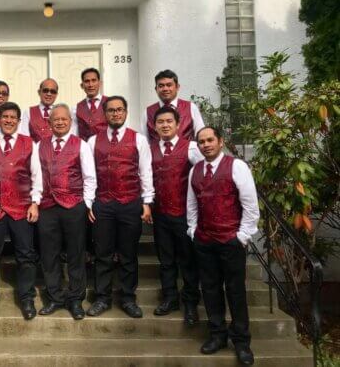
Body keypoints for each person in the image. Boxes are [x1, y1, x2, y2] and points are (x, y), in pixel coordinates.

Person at [187, 126, 259, 366]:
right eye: (201, 141)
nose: (206, 144)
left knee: (236, 291)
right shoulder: (195, 170)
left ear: (220, 141)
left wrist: (242, 236)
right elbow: (192, 205)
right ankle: (217, 335)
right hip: (205, 240)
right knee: (210, 289)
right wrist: (193, 230)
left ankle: (241, 342)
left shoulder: (237, 167)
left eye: (210, 140)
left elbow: (250, 205)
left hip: (230, 240)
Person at [0, 102, 42, 321]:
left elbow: (36, 176)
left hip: (21, 209)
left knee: (25, 256)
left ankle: (27, 299)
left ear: (18, 121)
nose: (9, 121)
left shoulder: (29, 143)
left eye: (13, 117)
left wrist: (35, 202)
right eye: (5, 117)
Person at [87, 96, 155, 318]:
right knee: (103, 253)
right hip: (103, 204)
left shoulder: (139, 140)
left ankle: (128, 298)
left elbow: (145, 172)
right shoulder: (92, 141)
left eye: (119, 110)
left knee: (128, 254)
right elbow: (90, 175)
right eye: (111, 110)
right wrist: (90, 203)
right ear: (104, 114)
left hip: (130, 203)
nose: (115, 114)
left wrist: (146, 203)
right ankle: (102, 298)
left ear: (125, 112)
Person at [37, 104, 96, 320]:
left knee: (76, 254)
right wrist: (36, 201)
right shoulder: (39, 145)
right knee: (49, 254)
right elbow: (36, 176)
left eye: (64, 119)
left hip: (74, 205)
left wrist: (86, 204)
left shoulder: (81, 145)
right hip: (47, 207)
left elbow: (89, 177)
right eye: (55, 119)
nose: (60, 122)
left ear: (70, 122)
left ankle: (75, 299)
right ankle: (54, 297)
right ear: (49, 122)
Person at [150, 107, 203, 326]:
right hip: (160, 214)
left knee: (188, 260)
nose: (164, 125)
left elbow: (203, 176)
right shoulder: (150, 148)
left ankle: (190, 303)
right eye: (160, 122)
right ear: (154, 126)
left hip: (184, 214)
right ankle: (170, 297)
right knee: (166, 260)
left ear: (178, 124)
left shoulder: (191, 148)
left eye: (169, 121)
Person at [140, 69, 205, 143]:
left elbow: (202, 136)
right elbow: (143, 143)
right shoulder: (147, 112)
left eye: (169, 85)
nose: (165, 89)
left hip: (187, 153)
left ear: (177, 87)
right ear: (156, 89)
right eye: (161, 86)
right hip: (157, 154)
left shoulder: (191, 108)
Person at [73, 68, 108, 141]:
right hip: (86, 150)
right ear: (82, 85)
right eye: (87, 81)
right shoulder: (76, 108)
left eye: (94, 80)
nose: (90, 85)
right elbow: (75, 133)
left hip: (107, 149)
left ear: (100, 83)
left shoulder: (111, 103)